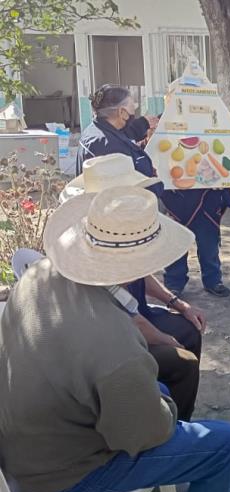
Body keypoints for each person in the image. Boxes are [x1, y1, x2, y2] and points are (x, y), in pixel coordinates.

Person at [0, 186, 230, 492]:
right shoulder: (117, 344)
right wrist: (164, 407)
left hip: (23, 450)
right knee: (224, 443)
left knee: (158, 389)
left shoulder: (38, 274)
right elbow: (144, 435)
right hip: (64, 479)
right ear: (140, 267)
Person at [56, 153, 206, 421]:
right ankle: (165, 418)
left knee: (189, 330)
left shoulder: (120, 228)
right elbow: (129, 320)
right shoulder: (89, 243)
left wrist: (177, 303)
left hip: (133, 317)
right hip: (113, 335)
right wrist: (166, 340)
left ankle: (173, 406)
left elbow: (140, 276)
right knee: (181, 359)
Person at [76, 84, 162, 197]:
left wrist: (145, 141)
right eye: (132, 108)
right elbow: (130, 186)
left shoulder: (96, 130)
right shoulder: (108, 144)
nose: (134, 114)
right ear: (122, 112)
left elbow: (126, 144)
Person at [161, 187, 230, 298]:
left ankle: (213, 281)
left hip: (208, 200)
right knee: (176, 245)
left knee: (209, 247)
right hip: (176, 198)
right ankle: (174, 284)